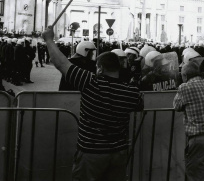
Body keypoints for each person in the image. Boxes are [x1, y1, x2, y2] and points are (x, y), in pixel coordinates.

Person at [42, 26, 143, 181]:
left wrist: (49, 39)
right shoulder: (131, 91)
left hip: (92, 153)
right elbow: (139, 105)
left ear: (100, 68)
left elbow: (61, 64)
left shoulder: (91, 82)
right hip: (119, 152)